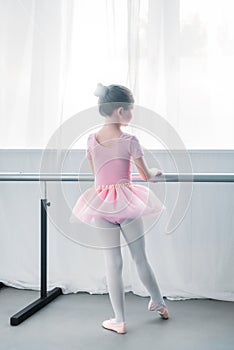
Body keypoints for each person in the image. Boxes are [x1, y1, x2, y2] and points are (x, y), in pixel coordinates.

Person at [70, 83, 169, 334]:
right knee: (140, 258)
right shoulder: (129, 140)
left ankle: (119, 319)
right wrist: (156, 172)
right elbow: (145, 175)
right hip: (126, 202)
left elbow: (97, 177)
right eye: (131, 111)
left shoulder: (91, 140)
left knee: (112, 262)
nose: (131, 116)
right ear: (120, 111)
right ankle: (158, 302)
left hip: (102, 203)